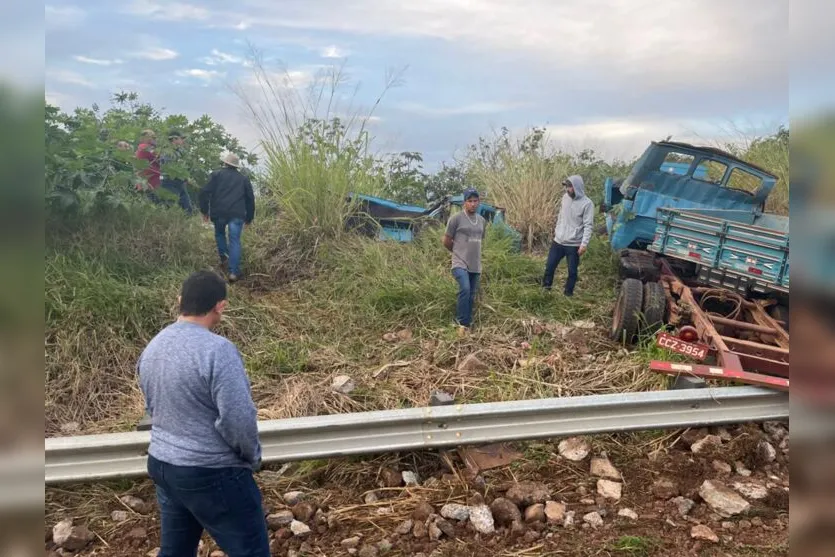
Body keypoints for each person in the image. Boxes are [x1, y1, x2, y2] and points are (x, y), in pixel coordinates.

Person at [137, 270, 269, 557]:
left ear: (180, 300)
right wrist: (252, 456)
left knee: (176, 552)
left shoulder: (153, 346)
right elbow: (238, 417)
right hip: (211, 470)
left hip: (163, 464)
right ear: (220, 306)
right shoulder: (217, 350)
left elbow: (152, 406)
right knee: (252, 551)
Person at [198, 153, 255, 283]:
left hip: (219, 212)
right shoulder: (243, 179)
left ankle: (225, 260)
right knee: (235, 240)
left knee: (219, 234)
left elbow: (204, 192)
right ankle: (233, 272)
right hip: (237, 214)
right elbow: (250, 199)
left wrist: (204, 210)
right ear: (236, 166)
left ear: (225, 163)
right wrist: (249, 218)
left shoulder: (216, 175)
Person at [542, 175, 595, 296]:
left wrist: (584, 244)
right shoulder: (565, 198)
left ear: (577, 187)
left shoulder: (587, 204)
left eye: (570, 187)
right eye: (566, 186)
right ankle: (545, 290)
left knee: (572, 272)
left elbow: (588, 225)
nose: (567, 189)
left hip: (574, 244)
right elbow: (560, 216)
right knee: (549, 266)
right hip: (558, 241)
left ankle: (568, 295)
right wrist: (557, 230)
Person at [443, 188, 487, 331]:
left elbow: (480, 240)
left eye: (475, 201)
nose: (473, 204)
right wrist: (457, 252)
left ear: (478, 202)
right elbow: (447, 240)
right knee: (465, 288)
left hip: (475, 263)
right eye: (470, 201)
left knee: (471, 294)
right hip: (459, 262)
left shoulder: (481, 221)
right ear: (464, 203)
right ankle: (461, 322)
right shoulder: (456, 219)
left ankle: (467, 323)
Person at [159, 129, 194, 215]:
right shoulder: (167, 152)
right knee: (169, 206)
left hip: (179, 182)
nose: (182, 140)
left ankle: (186, 226)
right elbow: (170, 169)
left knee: (187, 208)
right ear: (174, 139)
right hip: (169, 182)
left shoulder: (179, 151)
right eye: (180, 138)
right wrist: (185, 177)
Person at [135, 129, 161, 198]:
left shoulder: (142, 148)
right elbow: (159, 158)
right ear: (145, 138)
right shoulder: (145, 147)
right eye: (153, 137)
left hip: (149, 180)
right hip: (150, 181)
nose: (155, 139)